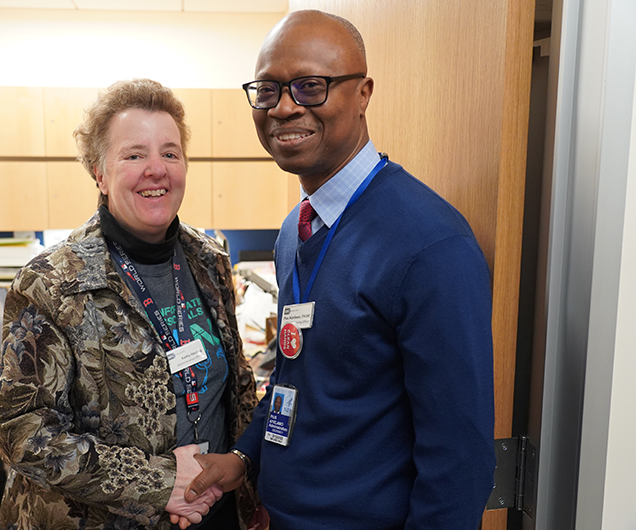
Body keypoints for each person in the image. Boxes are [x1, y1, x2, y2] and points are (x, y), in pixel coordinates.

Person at [185, 10, 496, 530]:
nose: (283, 107)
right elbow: (297, 376)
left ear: (364, 93)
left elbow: (458, 460)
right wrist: (245, 457)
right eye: (267, 90)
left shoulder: (431, 244)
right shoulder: (295, 231)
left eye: (311, 86)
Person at [0, 78, 263, 530]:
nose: (156, 169)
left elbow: (237, 387)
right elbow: (23, 429)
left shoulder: (208, 259)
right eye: (135, 154)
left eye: (170, 153)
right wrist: (160, 483)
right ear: (99, 172)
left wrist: (246, 481)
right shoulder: (52, 282)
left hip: (212, 510)